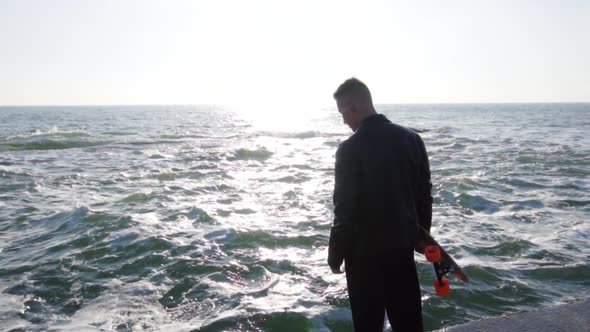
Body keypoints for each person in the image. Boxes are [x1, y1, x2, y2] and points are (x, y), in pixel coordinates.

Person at [327, 78, 433, 332]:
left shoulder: (349, 150)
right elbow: (424, 196)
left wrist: (335, 253)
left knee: (368, 325)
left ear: (352, 105)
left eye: (343, 112)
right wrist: (422, 238)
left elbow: (345, 211)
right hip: (402, 250)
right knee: (408, 323)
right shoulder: (412, 139)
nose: (344, 120)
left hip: (363, 258)